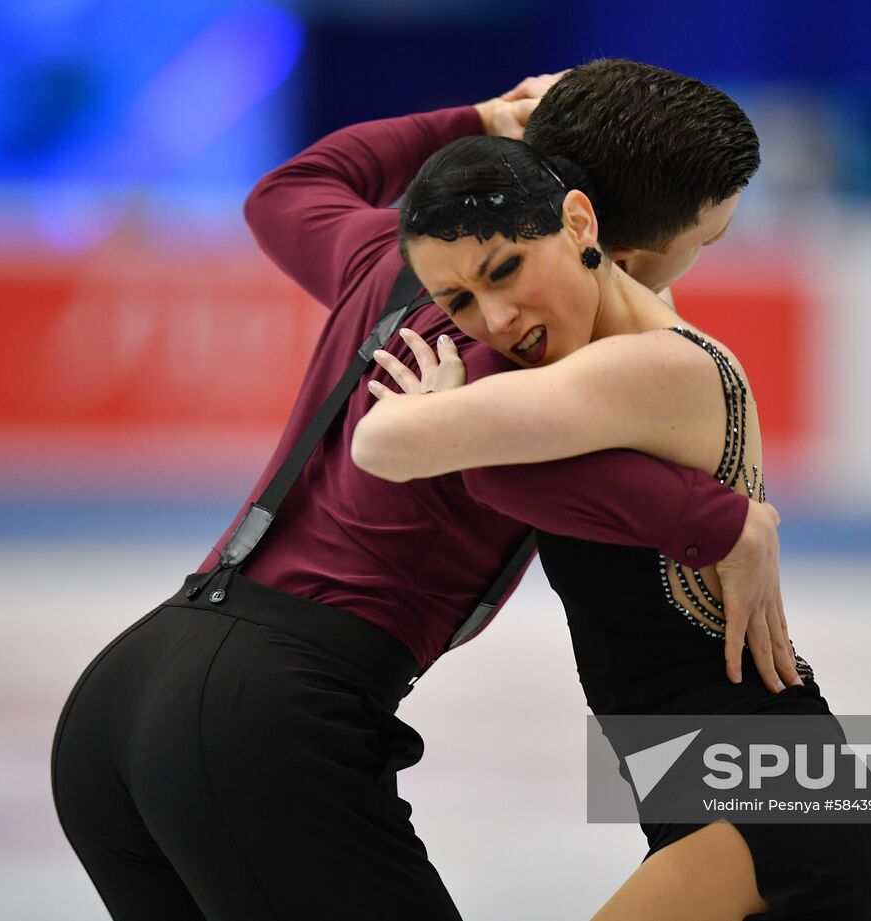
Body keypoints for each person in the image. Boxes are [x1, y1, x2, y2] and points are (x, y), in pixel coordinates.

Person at [50, 67, 799, 921]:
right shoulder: (524, 348)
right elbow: (486, 461)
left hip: (130, 691)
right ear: (613, 241)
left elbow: (286, 193)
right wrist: (724, 519)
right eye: (705, 239)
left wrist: (476, 116)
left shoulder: (392, 263)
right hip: (264, 714)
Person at [351, 133, 871, 919]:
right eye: (458, 303)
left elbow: (385, 444)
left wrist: (436, 406)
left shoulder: (653, 367)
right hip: (763, 812)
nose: (493, 318)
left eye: (506, 271)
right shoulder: (619, 357)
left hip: (780, 821)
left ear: (582, 224)